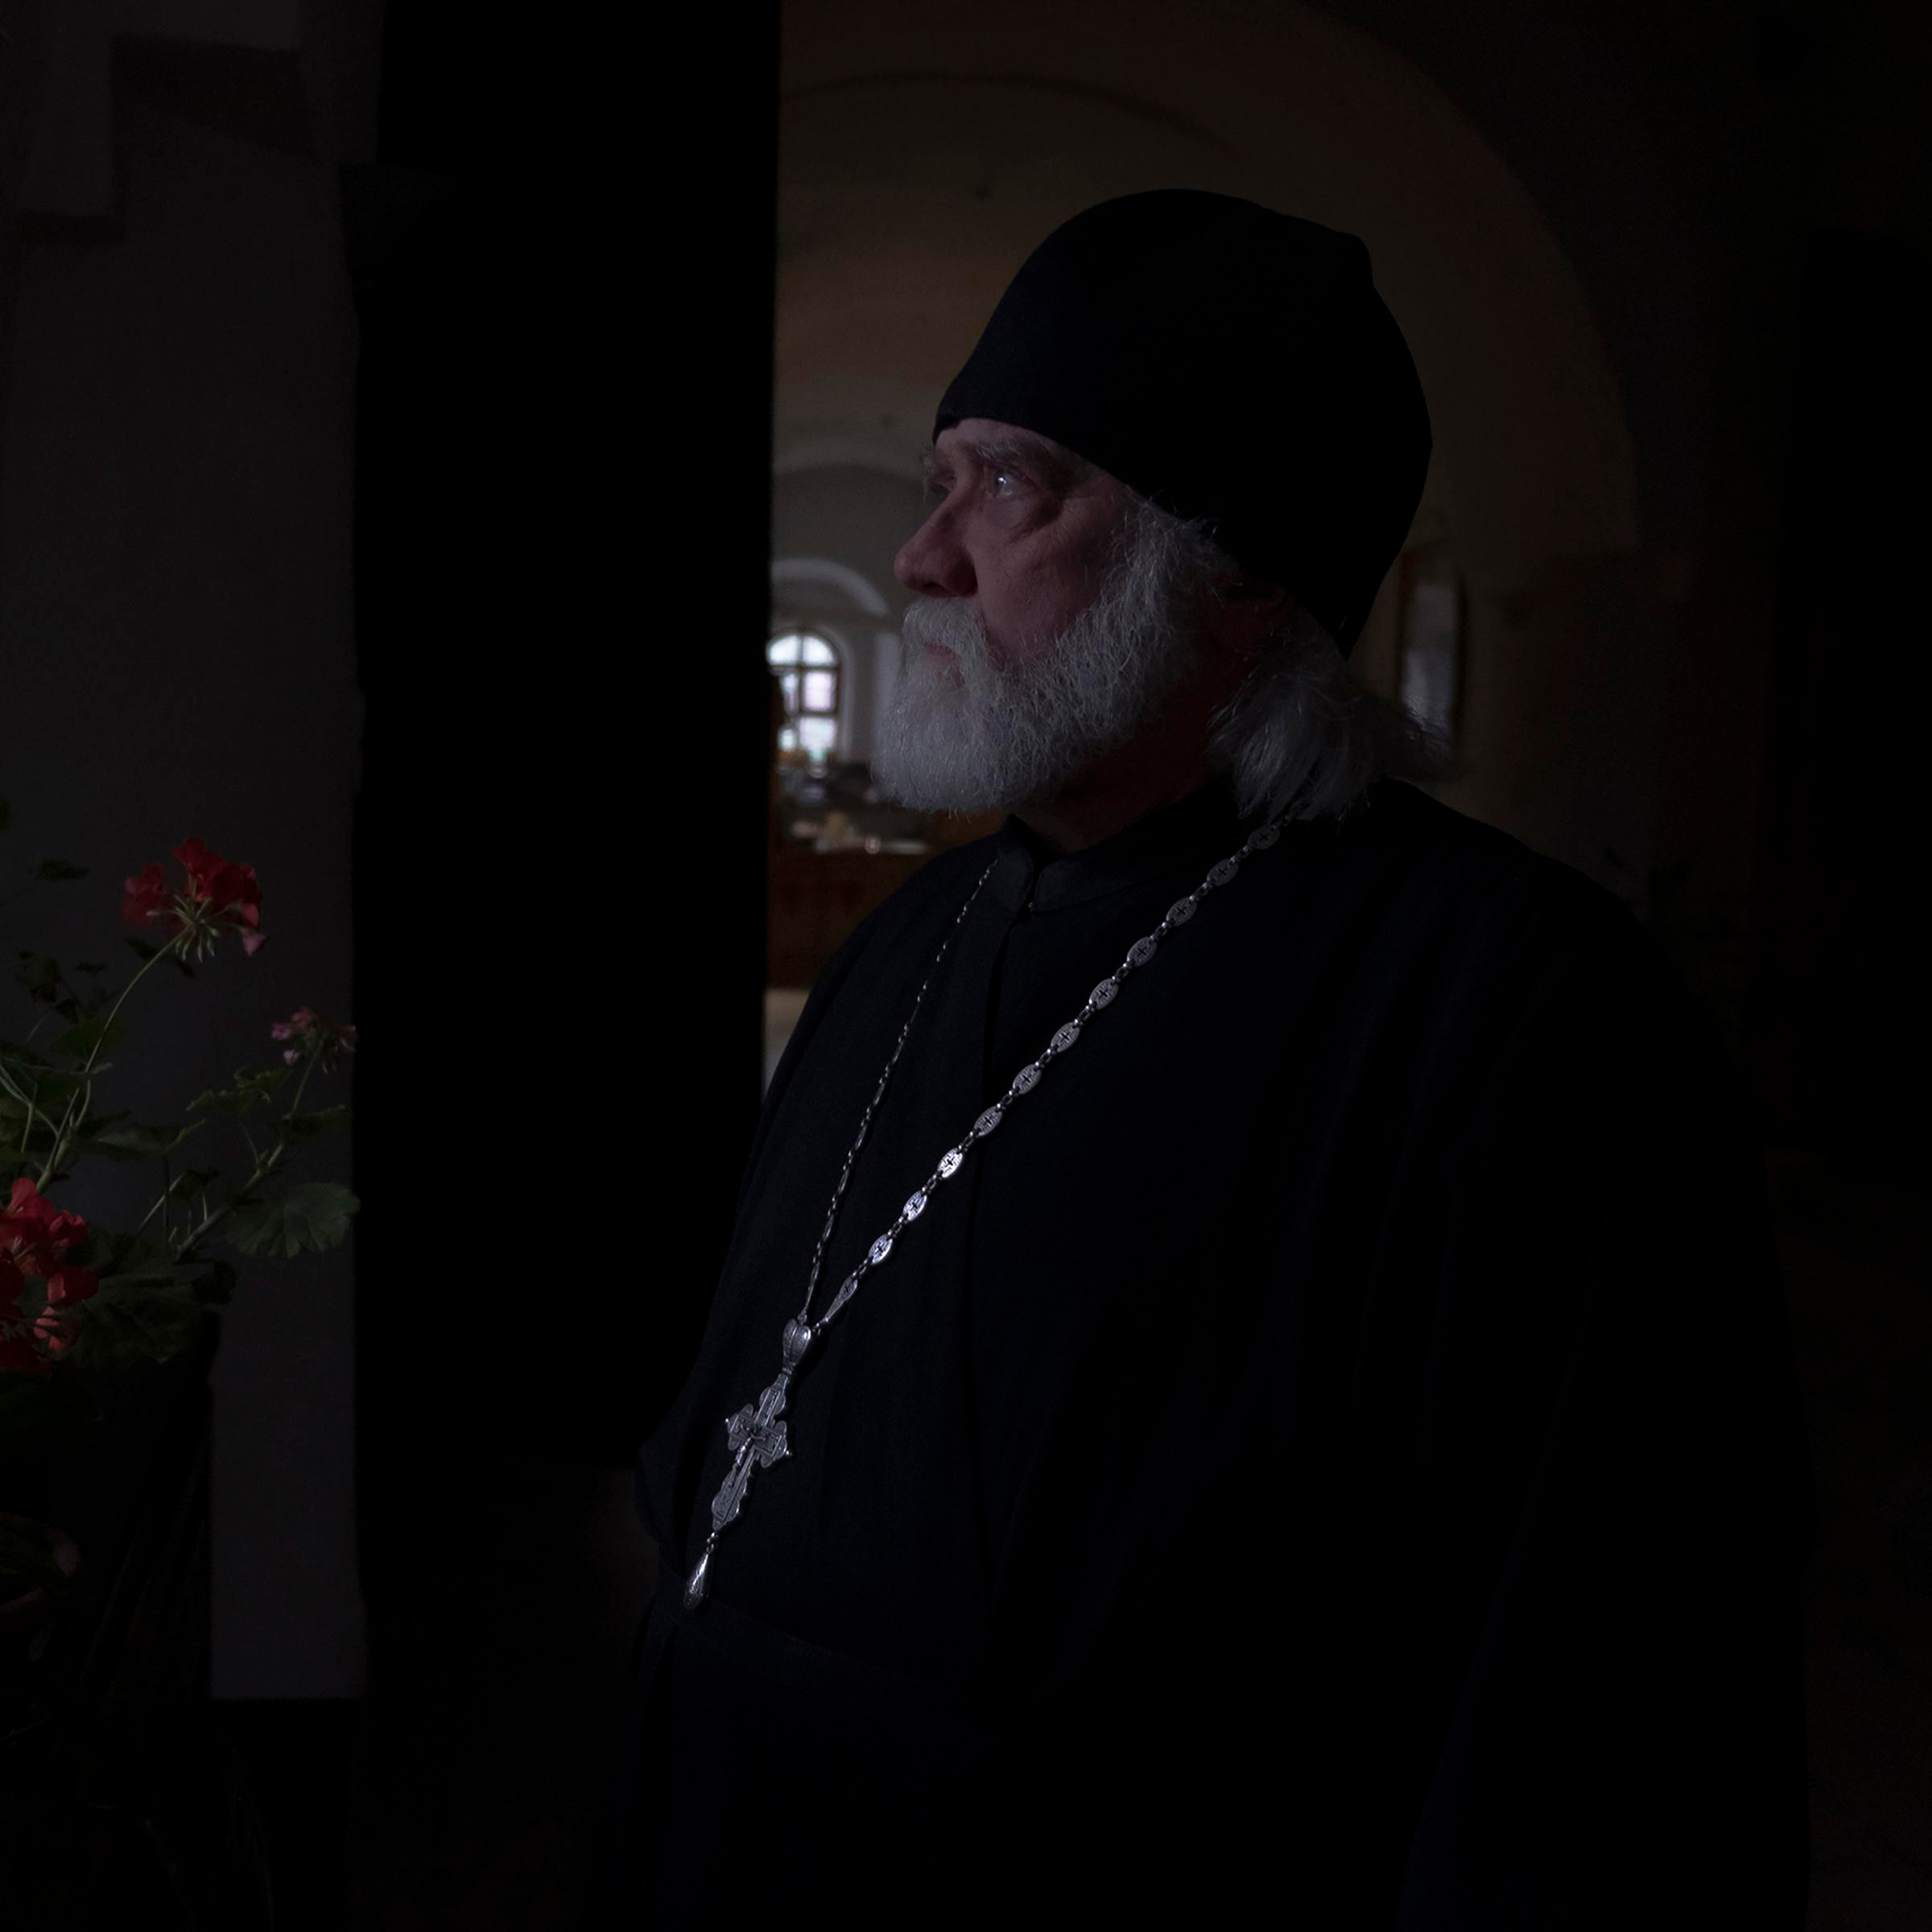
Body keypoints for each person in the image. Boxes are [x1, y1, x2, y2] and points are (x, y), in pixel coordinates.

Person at [587, 191, 1812, 1927]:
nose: (924, 557)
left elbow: (1603, 1724)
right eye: (939, 481)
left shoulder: (1517, 1014)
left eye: (1008, 484)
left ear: (1237, 575)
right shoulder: (907, 944)